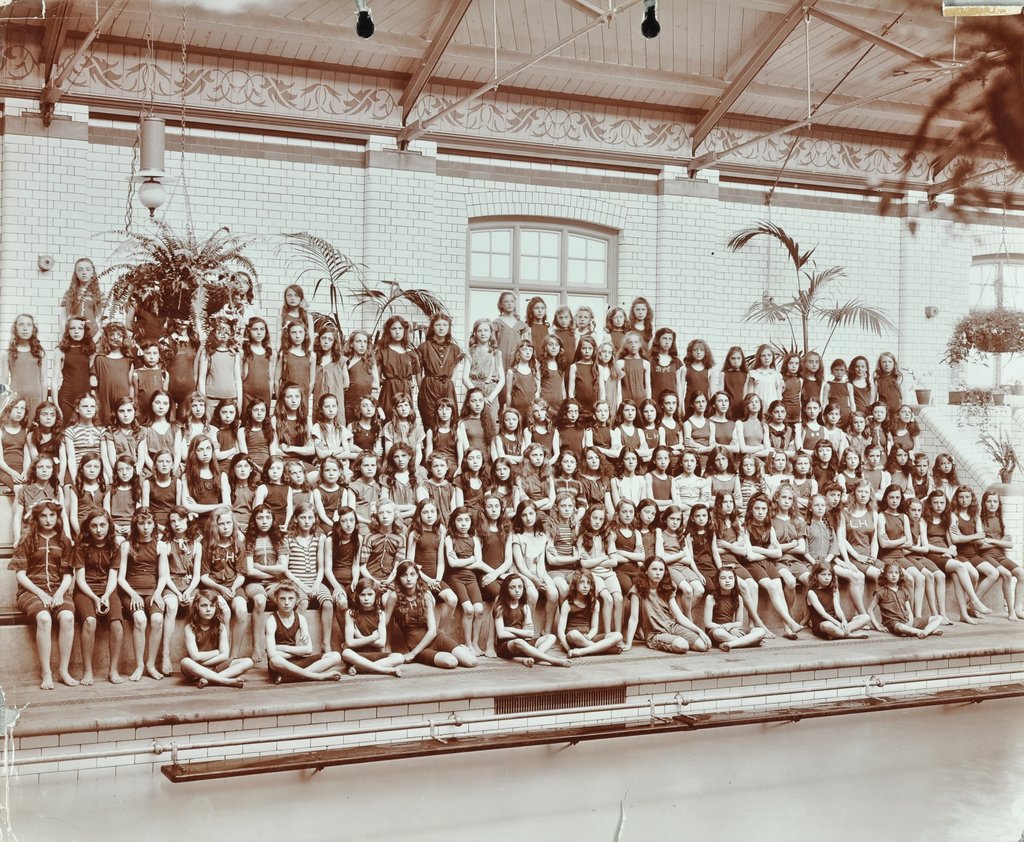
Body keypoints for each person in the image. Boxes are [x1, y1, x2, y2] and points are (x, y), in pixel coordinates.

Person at [11, 500, 78, 689]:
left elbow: (68, 574)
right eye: (43, 516)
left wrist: (59, 593)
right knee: (44, 618)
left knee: (67, 616)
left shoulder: (64, 540)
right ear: (36, 518)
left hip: (58, 589)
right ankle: (46, 672)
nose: (48, 520)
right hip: (31, 591)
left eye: (52, 515)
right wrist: (41, 594)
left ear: (57, 517)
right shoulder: (27, 539)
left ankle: (64, 671)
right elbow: (21, 575)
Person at [386, 560, 477, 669]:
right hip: (417, 646)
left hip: (435, 638)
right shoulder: (394, 597)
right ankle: (449, 653)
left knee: (472, 662)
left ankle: (458, 650)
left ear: (417, 576)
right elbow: (385, 623)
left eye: (412, 574)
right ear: (399, 578)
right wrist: (386, 646)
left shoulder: (425, 595)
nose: (409, 579)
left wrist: (412, 654)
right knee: (451, 662)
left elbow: (432, 631)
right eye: (404, 575)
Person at [73, 510, 126, 685]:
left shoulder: (115, 547)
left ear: (109, 526)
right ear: (88, 527)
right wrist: (96, 599)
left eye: (102, 525)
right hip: (85, 591)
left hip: (108, 590)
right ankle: (87, 671)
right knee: (90, 621)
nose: (98, 530)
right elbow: (80, 580)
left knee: (117, 623)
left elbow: (113, 577)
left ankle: (113, 670)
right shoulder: (81, 546)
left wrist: (106, 595)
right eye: (94, 525)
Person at [625, 558, 711, 653]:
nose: (658, 573)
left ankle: (675, 639)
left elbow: (679, 616)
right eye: (654, 569)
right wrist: (629, 643)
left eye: (661, 570)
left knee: (704, 645)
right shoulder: (637, 589)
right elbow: (633, 619)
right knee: (682, 646)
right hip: (656, 633)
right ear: (646, 571)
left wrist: (699, 631)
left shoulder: (667, 587)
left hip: (673, 627)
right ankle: (670, 641)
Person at [266, 581, 343, 682]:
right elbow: (272, 654)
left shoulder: (300, 618)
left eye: (291, 598)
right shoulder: (271, 620)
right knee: (274, 660)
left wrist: (281, 648)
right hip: (281, 664)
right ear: (276, 599)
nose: (287, 602)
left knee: (335, 656)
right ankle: (316, 676)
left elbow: (308, 649)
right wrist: (298, 650)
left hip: (296, 661)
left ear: (297, 599)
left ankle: (290, 678)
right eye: (282, 598)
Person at [180, 587, 254, 688]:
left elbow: (225, 656)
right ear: (197, 607)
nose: (208, 609)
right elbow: (195, 657)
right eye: (204, 605)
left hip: (216, 666)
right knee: (185, 662)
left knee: (248, 662)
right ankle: (225, 681)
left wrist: (208, 658)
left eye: (212, 606)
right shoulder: (190, 628)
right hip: (197, 669)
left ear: (216, 608)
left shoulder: (220, 626)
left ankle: (210, 680)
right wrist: (217, 652)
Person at [493, 574, 571, 667]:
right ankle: (553, 660)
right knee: (519, 642)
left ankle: (532, 658)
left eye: (520, 587)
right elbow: (501, 634)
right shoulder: (501, 608)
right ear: (506, 589)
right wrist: (522, 633)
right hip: (506, 646)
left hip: (523, 643)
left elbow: (530, 633)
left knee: (551, 637)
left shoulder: (525, 607)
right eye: (512, 587)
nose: (517, 590)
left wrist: (510, 629)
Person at [341, 578, 406, 677]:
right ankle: (384, 670)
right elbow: (350, 643)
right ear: (357, 596)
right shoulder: (350, 613)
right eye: (362, 595)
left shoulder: (380, 614)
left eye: (370, 594)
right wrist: (373, 637)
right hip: (357, 656)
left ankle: (360, 669)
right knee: (346, 653)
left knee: (400, 657)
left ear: (376, 595)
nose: (366, 598)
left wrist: (360, 637)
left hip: (375, 655)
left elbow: (381, 643)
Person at [556, 569, 623, 658]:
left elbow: (594, 628)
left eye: (588, 583)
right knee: (574, 634)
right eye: (582, 582)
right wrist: (568, 649)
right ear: (575, 584)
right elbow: (560, 631)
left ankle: (582, 651)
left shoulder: (594, 603)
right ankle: (603, 649)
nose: (585, 586)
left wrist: (589, 636)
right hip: (573, 638)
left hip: (588, 637)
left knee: (618, 635)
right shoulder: (568, 603)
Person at [868, 560, 944, 638]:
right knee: (900, 627)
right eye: (890, 573)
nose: (894, 575)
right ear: (885, 575)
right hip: (894, 623)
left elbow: (909, 611)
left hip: (907, 621)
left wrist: (910, 621)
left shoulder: (903, 591)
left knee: (939, 617)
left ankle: (924, 632)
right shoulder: (881, 592)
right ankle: (924, 632)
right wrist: (877, 626)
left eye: (896, 573)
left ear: (899, 575)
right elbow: (870, 610)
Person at [703, 566, 766, 652]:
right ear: (717, 581)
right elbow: (707, 623)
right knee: (719, 633)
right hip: (716, 629)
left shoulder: (738, 598)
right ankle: (750, 642)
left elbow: (739, 622)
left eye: (730, 578)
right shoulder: (711, 597)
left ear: (735, 580)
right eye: (723, 578)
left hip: (732, 629)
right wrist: (726, 628)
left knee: (760, 631)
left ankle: (731, 644)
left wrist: (730, 626)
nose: (727, 581)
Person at [805, 562, 872, 639]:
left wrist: (844, 621)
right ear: (816, 576)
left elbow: (838, 609)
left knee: (866, 617)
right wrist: (838, 624)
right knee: (827, 625)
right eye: (823, 575)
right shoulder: (811, 592)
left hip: (836, 621)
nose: (827, 578)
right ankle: (850, 635)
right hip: (822, 623)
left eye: (829, 575)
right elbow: (823, 614)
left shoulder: (833, 589)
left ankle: (839, 632)